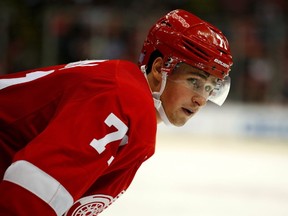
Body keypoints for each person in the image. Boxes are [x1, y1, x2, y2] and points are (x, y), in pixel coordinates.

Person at [0, 9, 233, 215]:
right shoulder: (121, 99)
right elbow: (28, 193)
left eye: (210, 88)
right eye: (194, 81)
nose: (201, 99)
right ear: (159, 69)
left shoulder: (124, 90)